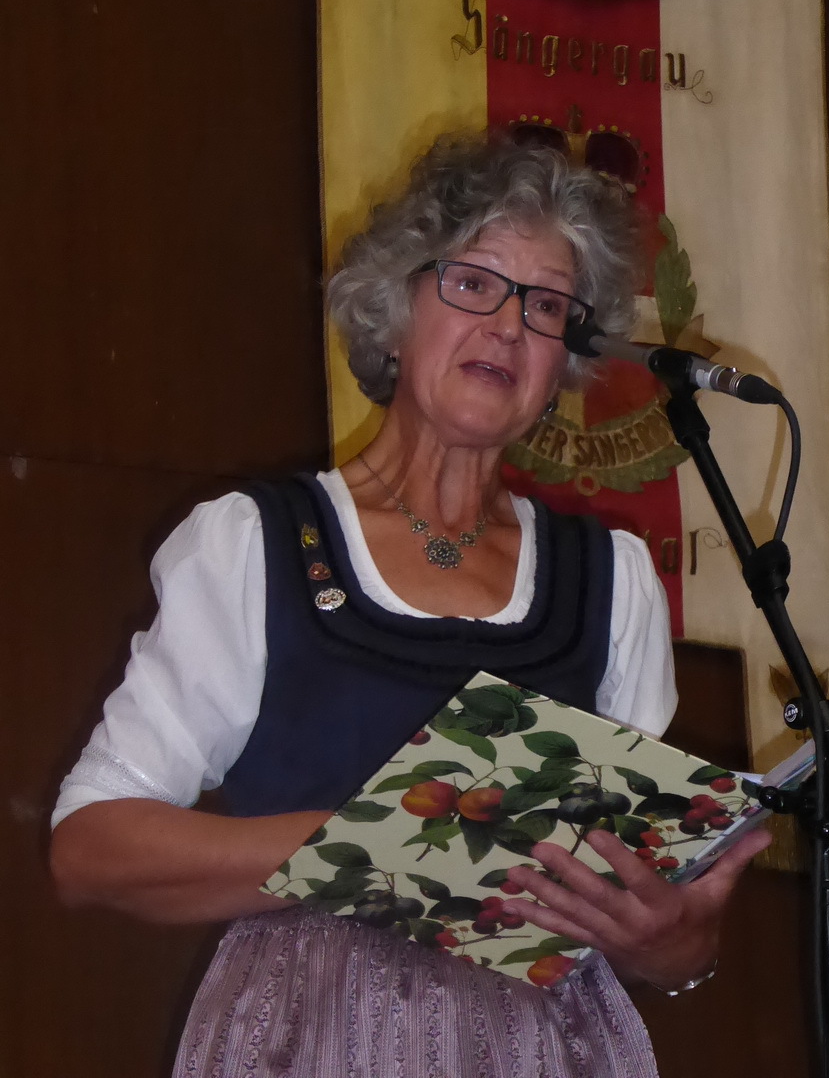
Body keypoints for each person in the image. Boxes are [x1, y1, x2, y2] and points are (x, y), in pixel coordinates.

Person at [50, 133, 769, 1077]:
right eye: (473, 284)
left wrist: (670, 941)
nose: (508, 328)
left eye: (546, 307)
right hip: (313, 1040)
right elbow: (91, 847)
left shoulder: (610, 581)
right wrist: (386, 842)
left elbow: (664, 945)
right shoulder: (259, 545)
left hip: (546, 1049)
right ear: (393, 313)